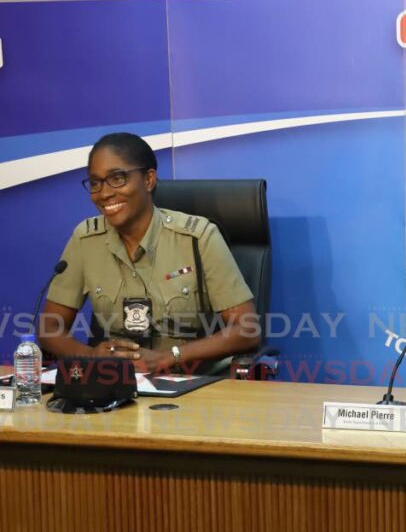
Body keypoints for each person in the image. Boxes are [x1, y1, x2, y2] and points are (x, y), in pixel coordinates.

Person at [38, 132, 259, 373]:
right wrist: (91, 355)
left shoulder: (198, 237)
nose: (103, 193)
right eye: (95, 182)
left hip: (189, 382)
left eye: (117, 178)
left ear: (149, 180)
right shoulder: (85, 239)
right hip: (114, 386)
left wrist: (168, 357)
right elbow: (50, 329)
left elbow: (246, 330)